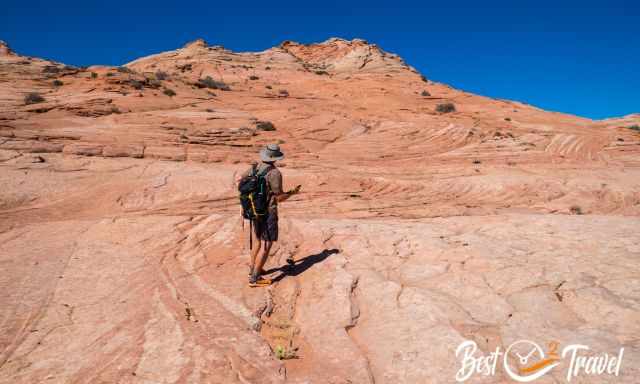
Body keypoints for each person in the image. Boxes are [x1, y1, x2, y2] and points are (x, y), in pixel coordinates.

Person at [238, 143, 300, 287]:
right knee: (267, 244)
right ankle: (255, 278)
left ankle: (253, 268)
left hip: (253, 209)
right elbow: (279, 197)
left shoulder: (254, 167)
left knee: (258, 240)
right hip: (267, 212)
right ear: (275, 157)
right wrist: (292, 193)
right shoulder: (274, 173)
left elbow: (240, 181)